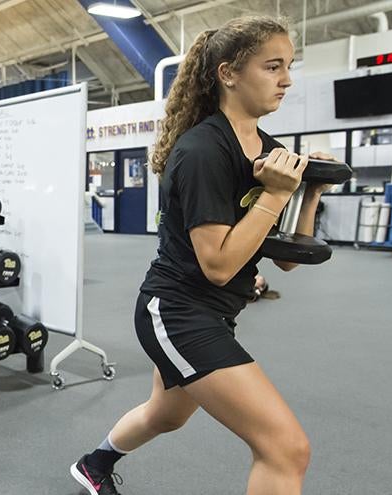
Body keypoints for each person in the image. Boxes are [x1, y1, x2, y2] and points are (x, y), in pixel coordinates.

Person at [70, 16, 321, 495]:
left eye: (288, 67)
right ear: (229, 74)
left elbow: (286, 258)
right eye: (273, 67)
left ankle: (94, 464)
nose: (286, 79)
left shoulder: (268, 151)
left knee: (166, 416)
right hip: (178, 312)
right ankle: (94, 463)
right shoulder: (204, 150)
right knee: (286, 448)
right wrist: (273, 195)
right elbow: (220, 265)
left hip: (215, 311)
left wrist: (308, 192)